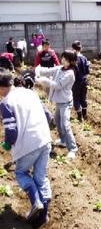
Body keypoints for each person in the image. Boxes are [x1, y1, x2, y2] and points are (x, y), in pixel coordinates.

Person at [0, 67, 52, 228]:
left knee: (22, 173)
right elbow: (48, 115)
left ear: (1, 88)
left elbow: (11, 130)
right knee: (41, 177)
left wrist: (7, 144)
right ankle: (43, 216)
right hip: (44, 139)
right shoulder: (30, 92)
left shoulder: (6, 103)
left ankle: (36, 201)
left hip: (28, 144)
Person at [35, 50, 78, 159]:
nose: (63, 60)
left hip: (65, 103)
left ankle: (72, 148)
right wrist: (39, 69)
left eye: (66, 59)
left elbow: (57, 85)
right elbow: (49, 71)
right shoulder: (59, 68)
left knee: (65, 124)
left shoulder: (70, 74)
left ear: (71, 62)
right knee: (58, 122)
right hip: (59, 101)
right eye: (63, 58)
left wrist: (44, 81)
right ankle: (63, 140)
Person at [72, 41, 90, 122]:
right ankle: (85, 115)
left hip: (76, 81)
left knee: (76, 98)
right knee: (83, 97)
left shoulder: (73, 59)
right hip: (85, 80)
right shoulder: (84, 58)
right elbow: (87, 71)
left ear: (73, 49)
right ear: (80, 48)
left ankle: (79, 117)